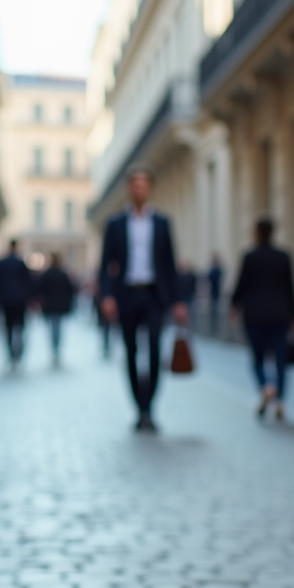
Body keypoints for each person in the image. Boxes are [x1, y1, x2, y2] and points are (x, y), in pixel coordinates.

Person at [98, 169, 188, 432]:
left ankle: (150, 407)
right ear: (129, 189)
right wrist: (107, 297)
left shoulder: (162, 222)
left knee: (154, 350)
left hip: (153, 295)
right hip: (126, 295)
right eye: (135, 185)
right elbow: (105, 265)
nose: (139, 189)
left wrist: (179, 301)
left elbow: (171, 265)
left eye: (143, 184)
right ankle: (138, 407)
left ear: (149, 189)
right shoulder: (115, 224)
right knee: (130, 353)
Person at [229, 217, 294, 421]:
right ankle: (280, 401)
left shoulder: (250, 257)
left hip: (255, 315)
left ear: (256, 232)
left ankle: (266, 386)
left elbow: (240, 285)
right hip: (280, 314)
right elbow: (291, 288)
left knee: (258, 358)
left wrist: (234, 306)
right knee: (280, 358)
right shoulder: (283, 257)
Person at [0, 239, 34, 367]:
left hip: (6, 300)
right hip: (20, 300)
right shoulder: (20, 263)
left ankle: (10, 352)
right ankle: (18, 352)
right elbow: (28, 282)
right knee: (20, 327)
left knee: (8, 327)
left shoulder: (1, 263)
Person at [37, 252, 76, 366]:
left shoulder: (46, 274)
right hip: (60, 305)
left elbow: (40, 290)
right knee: (57, 328)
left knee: (53, 328)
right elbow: (70, 290)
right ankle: (56, 350)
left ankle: (55, 349)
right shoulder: (63, 274)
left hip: (50, 306)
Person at [207, 254, 224, 336]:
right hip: (215, 292)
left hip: (215, 292)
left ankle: (214, 327)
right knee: (214, 310)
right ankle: (213, 326)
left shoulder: (215, 270)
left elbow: (209, 277)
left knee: (214, 310)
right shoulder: (218, 270)